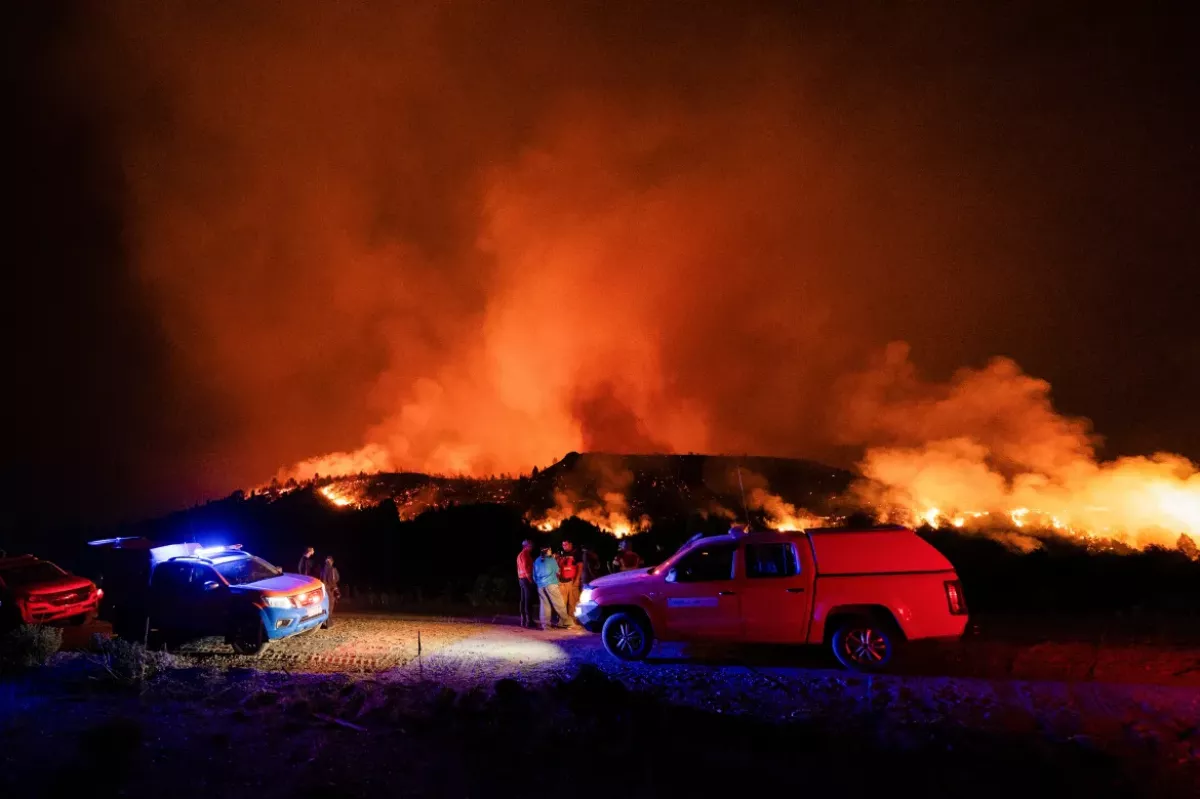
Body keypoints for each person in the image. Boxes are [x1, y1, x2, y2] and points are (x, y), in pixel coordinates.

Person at [533, 545, 572, 630]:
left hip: (540, 586)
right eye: (550, 550)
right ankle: (566, 622)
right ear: (547, 551)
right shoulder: (551, 560)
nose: (551, 551)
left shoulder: (537, 560)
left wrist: (539, 583)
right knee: (559, 604)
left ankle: (546, 626)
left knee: (544, 606)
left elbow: (534, 575)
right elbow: (558, 572)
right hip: (551, 584)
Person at [557, 539, 582, 621]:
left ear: (570, 544)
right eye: (563, 545)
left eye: (566, 545)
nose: (564, 546)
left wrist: (577, 579)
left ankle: (573, 620)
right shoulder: (561, 553)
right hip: (562, 582)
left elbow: (580, 566)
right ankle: (562, 620)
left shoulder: (576, 553)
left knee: (573, 602)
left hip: (572, 581)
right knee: (561, 602)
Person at [516, 539, 536, 629]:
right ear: (526, 546)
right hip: (526, 579)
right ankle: (529, 621)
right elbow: (525, 567)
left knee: (523, 599)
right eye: (530, 546)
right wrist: (530, 579)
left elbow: (519, 568)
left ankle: (523, 620)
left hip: (521, 578)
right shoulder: (525, 554)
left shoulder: (519, 555)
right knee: (528, 599)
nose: (532, 547)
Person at [321, 555, 340, 626]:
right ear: (331, 562)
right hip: (331, 589)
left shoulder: (322, 569)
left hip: (324, 589)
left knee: (325, 605)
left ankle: (324, 622)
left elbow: (321, 579)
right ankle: (329, 623)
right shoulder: (333, 569)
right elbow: (336, 579)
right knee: (330, 606)